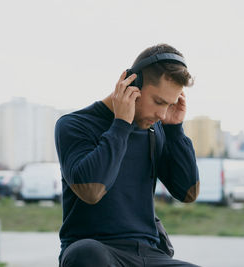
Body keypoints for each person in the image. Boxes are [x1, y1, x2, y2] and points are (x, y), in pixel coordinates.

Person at [54, 43, 200, 267]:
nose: (162, 114)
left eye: (169, 104)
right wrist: (121, 124)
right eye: (159, 102)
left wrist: (174, 130)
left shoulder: (156, 129)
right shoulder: (74, 125)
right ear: (132, 83)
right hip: (96, 250)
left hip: (149, 253)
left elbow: (188, 192)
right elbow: (91, 190)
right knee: (86, 253)